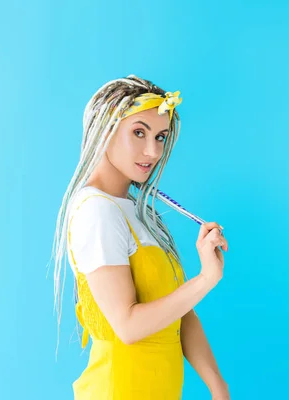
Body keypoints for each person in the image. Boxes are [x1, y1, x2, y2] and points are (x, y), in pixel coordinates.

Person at [51, 74, 230, 399]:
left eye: (160, 136)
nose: (152, 151)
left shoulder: (135, 210)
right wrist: (205, 279)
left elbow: (179, 312)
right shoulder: (97, 211)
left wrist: (218, 388)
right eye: (138, 133)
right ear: (105, 130)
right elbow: (128, 326)